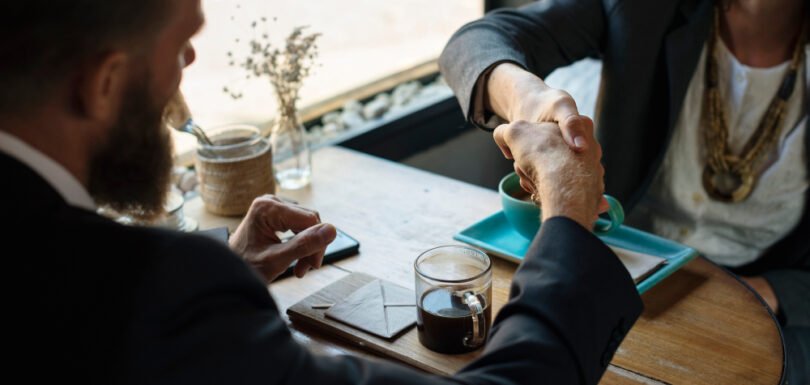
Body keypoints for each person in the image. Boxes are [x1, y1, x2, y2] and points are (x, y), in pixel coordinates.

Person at [0, 1, 643, 384]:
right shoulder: (151, 297)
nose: (185, 73)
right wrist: (566, 209)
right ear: (105, 83)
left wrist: (222, 267)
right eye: (183, 46)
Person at [439, 0, 809, 382]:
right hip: (625, 274)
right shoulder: (645, 9)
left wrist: (772, 291)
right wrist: (528, 99)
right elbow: (473, 44)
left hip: (767, 302)